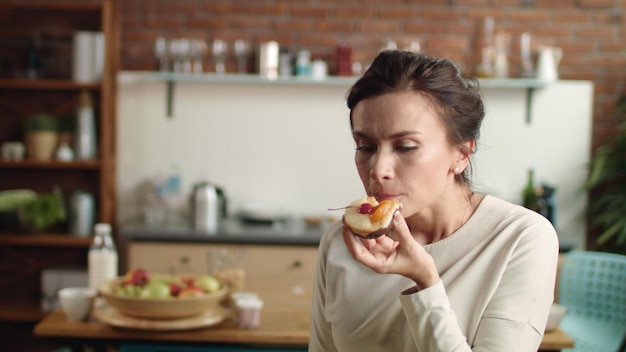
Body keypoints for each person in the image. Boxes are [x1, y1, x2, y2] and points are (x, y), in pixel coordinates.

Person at [309, 50, 559, 351]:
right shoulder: (341, 242)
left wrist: (425, 282)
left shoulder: (521, 238)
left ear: (461, 155)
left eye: (405, 147)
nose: (378, 169)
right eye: (365, 146)